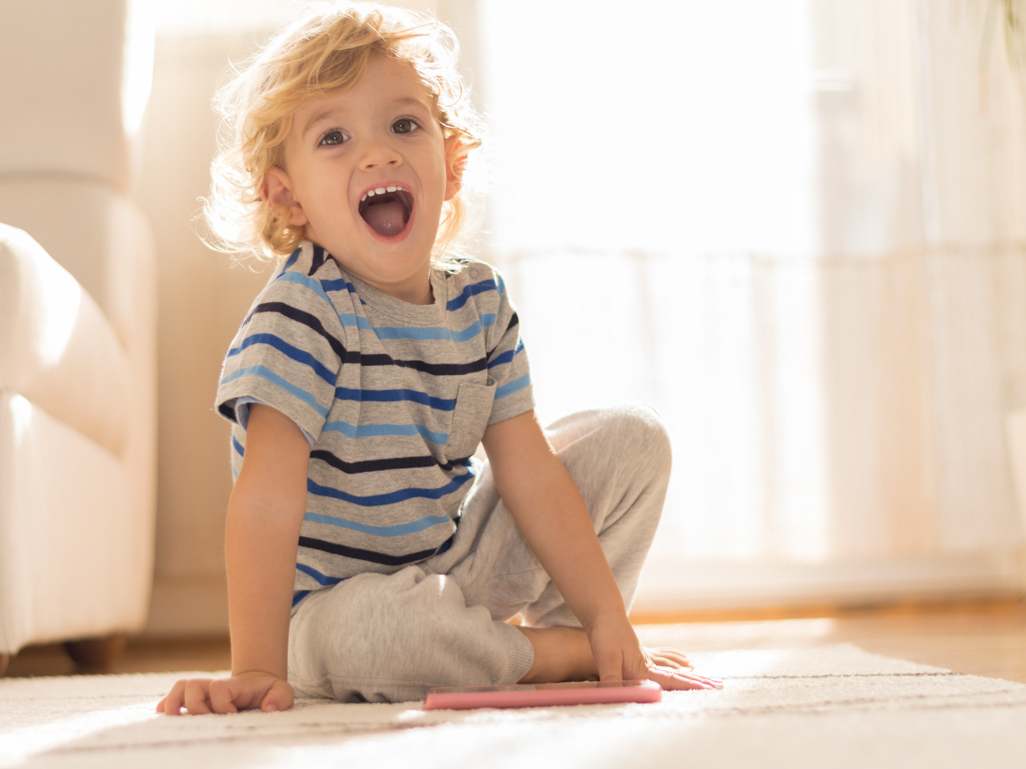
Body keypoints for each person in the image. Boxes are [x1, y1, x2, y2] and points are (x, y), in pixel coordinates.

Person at [157, 1, 721, 715]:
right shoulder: (299, 315)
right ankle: (560, 656)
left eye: (403, 124)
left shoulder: (481, 303)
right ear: (288, 196)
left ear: (451, 164)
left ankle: (561, 638)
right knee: (380, 633)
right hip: (338, 613)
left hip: (453, 564)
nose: (378, 152)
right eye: (334, 136)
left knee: (634, 439)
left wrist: (609, 613)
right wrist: (257, 667)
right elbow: (266, 501)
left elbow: (529, 469)